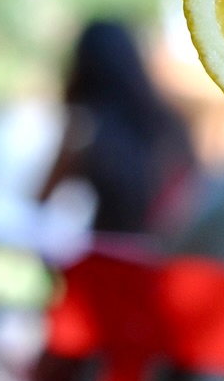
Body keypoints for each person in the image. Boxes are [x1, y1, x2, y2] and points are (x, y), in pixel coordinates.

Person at [41, 20, 198, 236]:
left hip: (111, 261)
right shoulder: (172, 125)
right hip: (161, 261)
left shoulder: (87, 133)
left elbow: (41, 201)